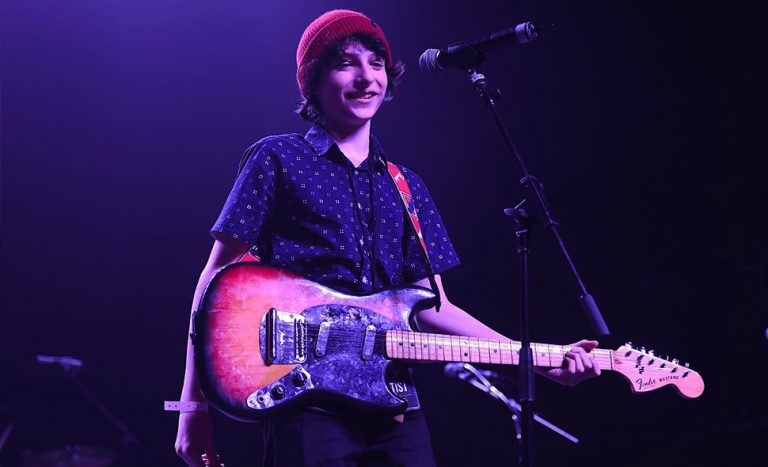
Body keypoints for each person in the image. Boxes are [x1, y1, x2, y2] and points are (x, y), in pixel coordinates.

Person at [174, 9, 601, 467]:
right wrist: (193, 407)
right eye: (345, 63)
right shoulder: (277, 158)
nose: (365, 77)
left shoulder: (407, 186)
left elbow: (435, 308)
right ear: (313, 81)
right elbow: (215, 284)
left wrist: (535, 360)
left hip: (395, 405)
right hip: (306, 404)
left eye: (376, 63)